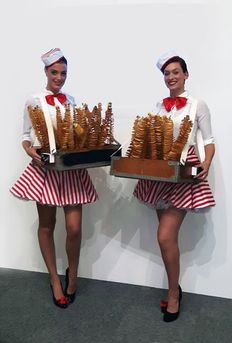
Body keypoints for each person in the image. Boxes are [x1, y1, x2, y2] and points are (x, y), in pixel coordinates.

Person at [10, 48, 98, 308]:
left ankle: (73, 273)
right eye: (55, 72)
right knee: (47, 225)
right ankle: (54, 279)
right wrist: (30, 151)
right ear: (46, 72)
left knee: (74, 228)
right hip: (44, 170)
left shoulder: (71, 100)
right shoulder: (33, 100)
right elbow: (25, 137)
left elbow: (77, 133)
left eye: (63, 73)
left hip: (69, 169)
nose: (59, 77)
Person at [133, 50, 215, 322]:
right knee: (167, 239)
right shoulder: (159, 105)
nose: (171, 77)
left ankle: (173, 294)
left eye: (175, 72)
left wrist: (208, 162)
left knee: (165, 237)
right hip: (161, 173)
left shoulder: (197, 104)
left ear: (186, 74)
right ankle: (173, 288)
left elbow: (209, 139)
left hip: (183, 173)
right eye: (167, 73)